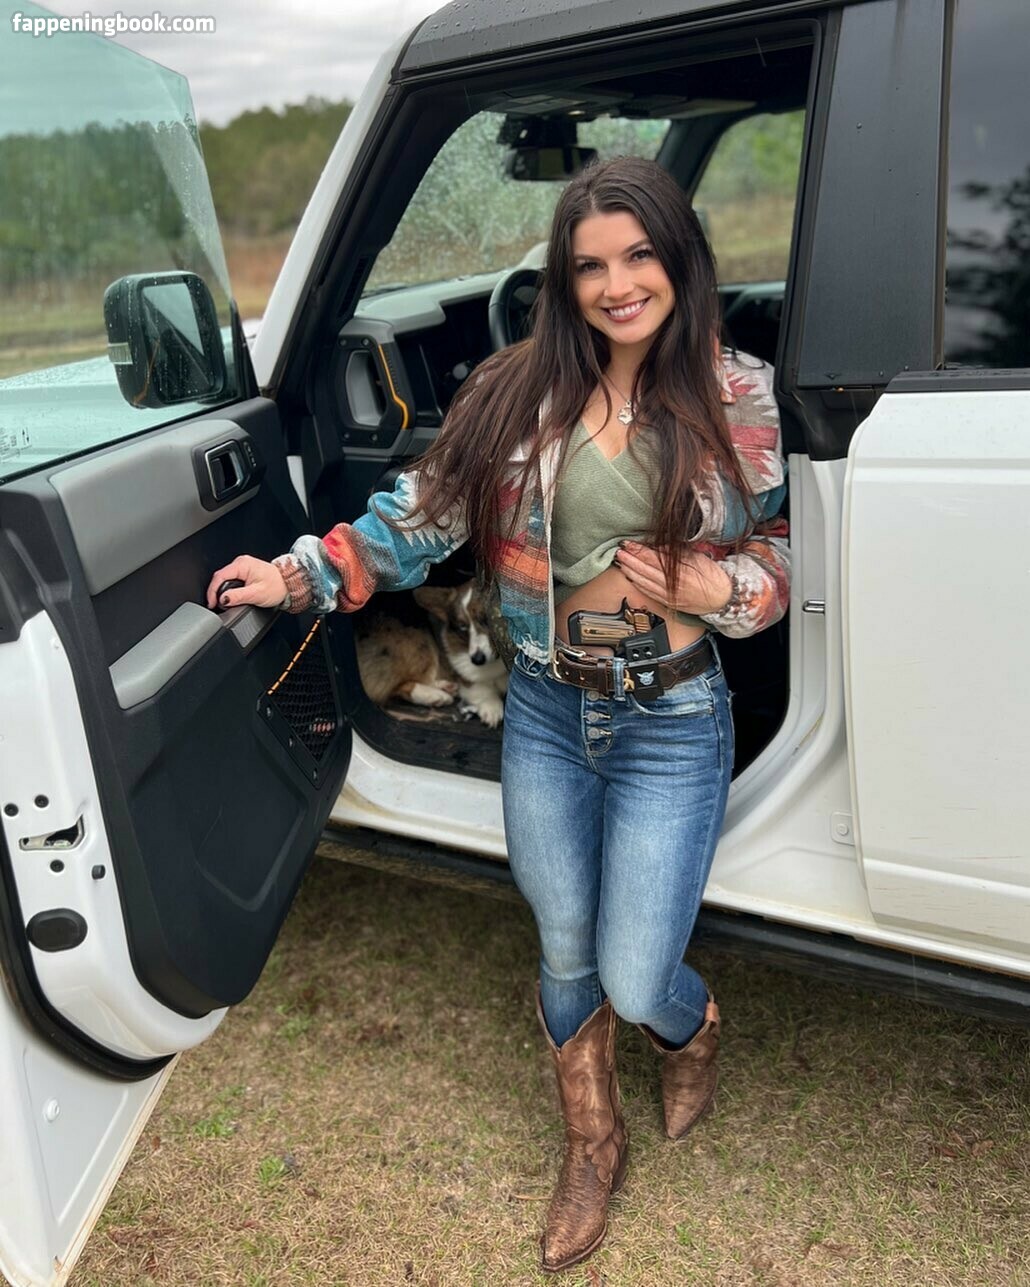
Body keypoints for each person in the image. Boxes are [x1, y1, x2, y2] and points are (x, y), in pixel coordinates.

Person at [206, 155, 789, 1273]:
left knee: (636, 974)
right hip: (549, 712)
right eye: (590, 266)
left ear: (680, 259)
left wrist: (720, 584)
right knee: (563, 940)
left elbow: (776, 554)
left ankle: (691, 1031)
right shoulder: (514, 389)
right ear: (564, 279)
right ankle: (591, 1141)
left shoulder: (737, 393)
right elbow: (418, 517)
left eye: (639, 256)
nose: (617, 285)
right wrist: (300, 574)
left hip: (671, 714)